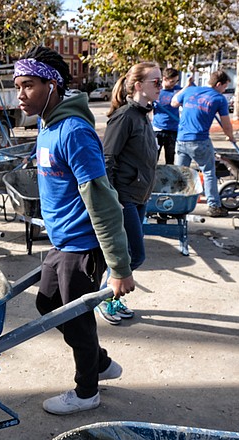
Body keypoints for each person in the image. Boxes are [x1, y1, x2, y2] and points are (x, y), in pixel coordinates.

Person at [13, 46, 135, 415]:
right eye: (17, 85)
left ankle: (87, 392)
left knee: (75, 319)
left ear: (52, 85)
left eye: (28, 85)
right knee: (46, 304)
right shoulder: (47, 125)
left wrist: (119, 267)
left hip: (81, 246)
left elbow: (103, 201)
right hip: (61, 240)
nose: (20, 94)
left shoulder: (74, 132)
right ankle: (99, 363)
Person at [96, 62, 160, 325]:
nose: (160, 87)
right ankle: (103, 297)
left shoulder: (143, 115)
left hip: (139, 195)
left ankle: (111, 297)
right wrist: (113, 199)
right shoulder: (124, 116)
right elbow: (107, 159)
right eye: (155, 82)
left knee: (128, 254)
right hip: (124, 198)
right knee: (135, 254)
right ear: (138, 86)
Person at [171, 70, 235, 218]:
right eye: (225, 87)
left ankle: (175, 205)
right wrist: (230, 137)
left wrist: (186, 87)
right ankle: (213, 206)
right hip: (200, 141)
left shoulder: (191, 91)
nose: (224, 90)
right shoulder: (219, 98)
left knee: (179, 173)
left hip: (181, 140)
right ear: (218, 84)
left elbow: (174, 102)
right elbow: (226, 125)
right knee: (208, 173)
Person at [152, 68, 181, 165]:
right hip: (157, 129)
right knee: (153, 157)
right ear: (164, 79)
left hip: (172, 130)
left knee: (170, 158)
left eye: (176, 81)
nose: (174, 83)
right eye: (172, 81)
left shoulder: (178, 90)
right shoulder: (155, 91)